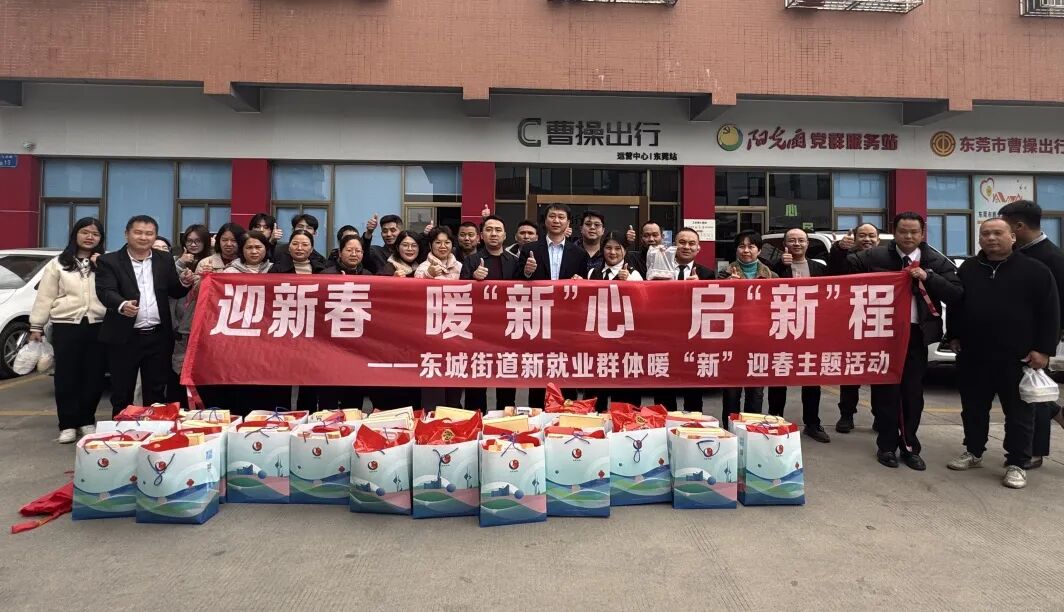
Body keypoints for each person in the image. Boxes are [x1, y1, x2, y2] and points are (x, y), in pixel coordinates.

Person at [843, 212, 963, 470]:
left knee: (912, 393)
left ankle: (910, 446)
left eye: (914, 232)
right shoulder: (875, 256)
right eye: (903, 231)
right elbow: (844, 274)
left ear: (922, 233)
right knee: (885, 392)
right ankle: (886, 446)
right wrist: (841, 250)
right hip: (882, 334)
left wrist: (929, 277)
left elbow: (955, 294)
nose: (908, 236)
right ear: (894, 232)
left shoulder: (936, 260)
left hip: (916, 334)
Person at [945, 218, 1059, 489]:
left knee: (1019, 414)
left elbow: (1050, 313)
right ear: (979, 238)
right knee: (973, 409)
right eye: (985, 233)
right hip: (974, 355)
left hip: (1018, 357)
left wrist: (1044, 350)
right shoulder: (969, 269)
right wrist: (954, 335)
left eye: (998, 233)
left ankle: (1017, 462)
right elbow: (957, 304)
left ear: (1012, 237)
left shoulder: (1035, 270)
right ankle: (973, 451)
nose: (991, 238)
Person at [95, 215, 194, 415]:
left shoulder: (164, 259)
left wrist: (184, 282)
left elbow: (173, 290)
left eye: (149, 233)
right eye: (138, 232)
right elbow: (106, 290)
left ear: (155, 236)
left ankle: (154, 430)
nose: (143, 237)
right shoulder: (109, 261)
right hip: (124, 337)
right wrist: (122, 304)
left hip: (158, 336)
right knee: (122, 392)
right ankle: (121, 430)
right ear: (126, 234)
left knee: (156, 392)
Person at [28, 217, 107, 443]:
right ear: (75, 235)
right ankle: (67, 424)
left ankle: (87, 420)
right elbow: (45, 296)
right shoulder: (58, 263)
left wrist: (102, 265)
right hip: (66, 326)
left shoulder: (105, 262)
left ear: (101, 238)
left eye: (95, 234)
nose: (90, 237)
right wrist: (36, 325)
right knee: (66, 376)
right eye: (85, 232)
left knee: (94, 375)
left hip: (98, 325)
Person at [998, 200, 1064, 468]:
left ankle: (1034, 451)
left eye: (1003, 227)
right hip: (1011, 340)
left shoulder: (1051, 258)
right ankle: (1056, 412)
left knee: (1033, 397)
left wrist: (1045, 348)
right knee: (1021, 393)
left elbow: (1056, 310)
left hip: (1035, 343)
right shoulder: (1018, 253)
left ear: (1018, 226)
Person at [517, 204, 589, 407]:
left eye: (561, 217)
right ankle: (537, 413)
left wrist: (580, 282)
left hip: (567, 322)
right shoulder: (530, 249)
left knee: (566, 369)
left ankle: (568, 412)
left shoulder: (579, 253)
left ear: (568, 222)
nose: (556, 220)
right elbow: (516, 282)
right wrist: (527, 272)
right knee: (539, 370)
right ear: (545, 220)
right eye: (552, 216)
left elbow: (585, 289)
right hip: (539, 320)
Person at [767, 228, 831, 443]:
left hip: (811, 329)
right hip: (782, 327)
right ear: (785, 244)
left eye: (801, 240)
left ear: (807, 244)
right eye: (792, 240)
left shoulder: (819, 268)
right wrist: (779, 266)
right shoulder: (775, 267)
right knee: (779, 375)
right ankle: (775, 420)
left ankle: (812, 423)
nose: (797, 244)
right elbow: (766, 288)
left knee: (811, 378)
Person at [217, 231, 287, 415]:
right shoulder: (229, 272)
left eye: (258, 247)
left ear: (266, 248)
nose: (254, 251)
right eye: (249, 247)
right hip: (242, 336)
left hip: (270, 336)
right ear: (242, 250)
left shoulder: (277, 270)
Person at [651, 227, 714, 413]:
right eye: (682, 242)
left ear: (698, 248)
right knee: (664, 392)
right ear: (674, 245)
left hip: (693, 340)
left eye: (691, 243)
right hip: (664, 339)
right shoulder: (659, 269)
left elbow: (714, 309)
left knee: (693, 394)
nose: (686, 247)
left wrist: (700, 288)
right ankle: (663, 424)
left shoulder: (707, 274)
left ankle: (692, 424)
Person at [715, 230, 775, 420]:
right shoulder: (723, 275)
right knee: (731, 392)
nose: (746, 250)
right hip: (732, 341)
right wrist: (727, 287)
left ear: (759, 250)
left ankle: (751, 430)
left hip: (760, 341)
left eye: (751, 246)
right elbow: (713, 305)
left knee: (756, 391)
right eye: (742, 246)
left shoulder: (772, 276)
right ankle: (730, 430)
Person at [461, 216, 519, 413]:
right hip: (479, 331)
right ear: (481, 235)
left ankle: (506, 422)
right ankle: (476, 421)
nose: (494, 234)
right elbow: (460, 294)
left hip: (508, 330)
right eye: (489, 229)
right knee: (476, 384)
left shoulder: (514, 261)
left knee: (506, 382)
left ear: (505, 235)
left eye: (498, 230)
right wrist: (473, 279)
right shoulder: (471, 261)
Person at [828, 223, 881, 433]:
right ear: (855, 238)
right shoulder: (847, 258)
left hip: (879, 321)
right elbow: (833, 273)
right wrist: (839, 249)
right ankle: (846, 415)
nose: (867, 239)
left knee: (879, 372)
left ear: (878, 239)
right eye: (862, 235)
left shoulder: (888, 259)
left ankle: (880, 416)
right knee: (851, 371)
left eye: (871, 235)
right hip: (852, 321)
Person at [586, 232, 644, 412]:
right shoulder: (593, 273)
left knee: (624, 400)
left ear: (625, 251)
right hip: (598, 344)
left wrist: (629, 284)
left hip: (625, 345)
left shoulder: (635, 275)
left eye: (618, 248)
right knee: (595, 398)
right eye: (608, 248)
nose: (612, 252)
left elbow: (643, 305)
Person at [168, 224, 212, 404]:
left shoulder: (211, 262)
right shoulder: (174, 261)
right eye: (189, 241)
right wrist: (180, 264)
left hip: (201, 326)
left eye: (198, 241)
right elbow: (167, 282)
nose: (193, 245)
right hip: (177, 324)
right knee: (177, 372)